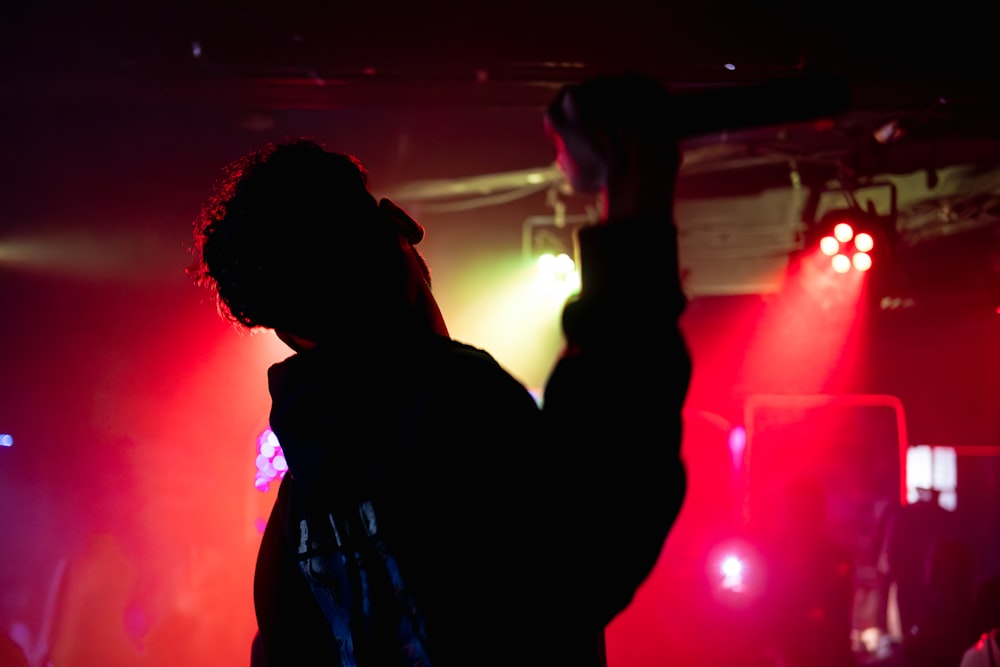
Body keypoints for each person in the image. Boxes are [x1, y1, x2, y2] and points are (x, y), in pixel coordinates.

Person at [189, 70, 690, 667]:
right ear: (398, 231)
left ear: (286, 330)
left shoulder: (299, 510)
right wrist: (635, 204)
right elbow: (595, 525)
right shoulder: (451, 401)